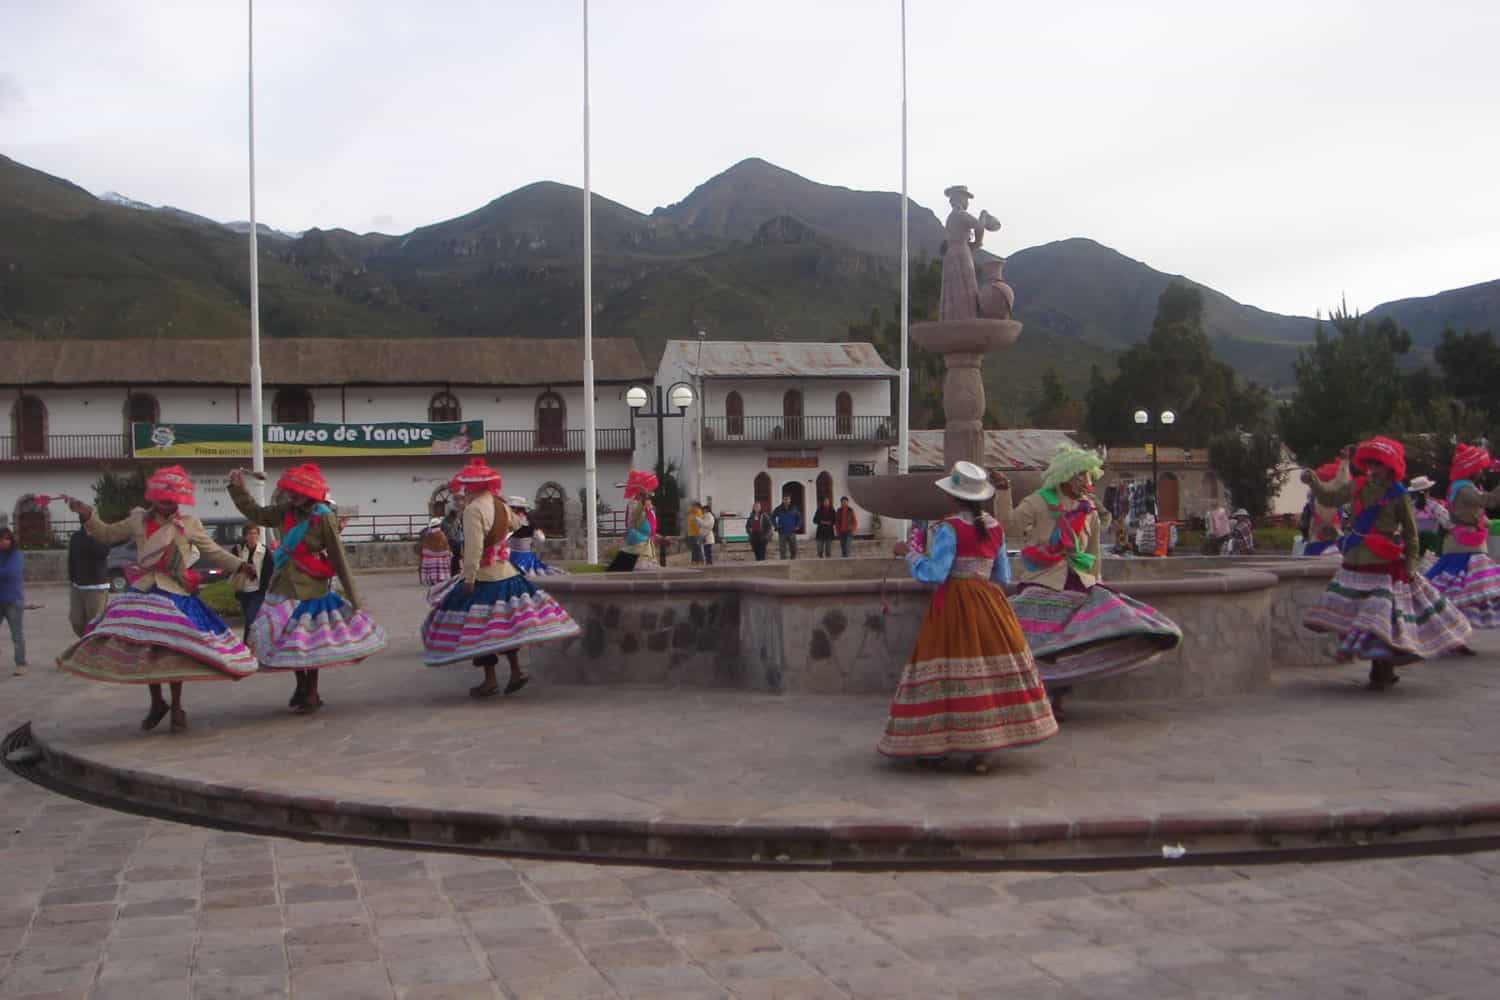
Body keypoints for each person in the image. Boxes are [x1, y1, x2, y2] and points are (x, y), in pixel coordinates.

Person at [877, 461, 1057, 771]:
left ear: (952, 497)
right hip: (990, 604)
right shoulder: (995, 528)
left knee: (948, 674)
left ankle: (939, 743)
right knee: (988, 675)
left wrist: (909, 552)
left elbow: (935, 574)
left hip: (955, 606)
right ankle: (982, 752)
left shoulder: (949, 528)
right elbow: (1001, 575)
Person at [57, 467, 258, 731]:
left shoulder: (189, 524)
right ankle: (157, 702)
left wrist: (241, 565)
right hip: (145, 590)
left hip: (176, 592)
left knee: (175, 650)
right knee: (148, 648)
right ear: (153, 498)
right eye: (164, 500)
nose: (169, 505)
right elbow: (106, 534)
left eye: (173, 501)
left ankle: (176, 707)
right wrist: (88, 516)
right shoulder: (137, 520)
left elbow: (214, 553)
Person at [1008, 446, 1183, 722]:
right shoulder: (1038, 503)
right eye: (1079, 476)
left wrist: (1097, 585)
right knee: (1033, 642)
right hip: (1043, 580)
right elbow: (1010, 525)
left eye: (1088, 476)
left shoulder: (1087, 510)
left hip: (1077, 583)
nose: (1085, 482)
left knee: (1068, 647)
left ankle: (1057, 698)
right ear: (1064, 476)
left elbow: (1092, 553)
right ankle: (1033, 697)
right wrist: (1002, 494)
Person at [1302, 436, 1472, 689]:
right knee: (1362, 618)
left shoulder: (1399, 494)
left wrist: (1411, 566)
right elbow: (1329, 498)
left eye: (1378, 465)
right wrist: (1314, 481)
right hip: (1356, 561)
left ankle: (1382, 668)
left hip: (1385, 564)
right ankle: (1380, 668)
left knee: (1381, 620)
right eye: (1370, 464)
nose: (1372, 470)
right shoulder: (1357, 486)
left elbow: (1411, 534)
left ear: (1390, 467)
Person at [230, 464, 387, 714]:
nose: (292, 495)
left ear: (311, 493)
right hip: (283, 585)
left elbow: (338, 557)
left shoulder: (323, 516)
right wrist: (238, 490)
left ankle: (311, 691)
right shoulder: (284, 511)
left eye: (297, 492)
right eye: (290, 491)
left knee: (309, 643)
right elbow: (257, 514)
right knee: (287, 639)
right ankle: (301, 685)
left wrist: (355, 599)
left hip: (312, 587)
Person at [423, 459, 580, 695]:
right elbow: (519, 526)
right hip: (507, 573)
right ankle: (516, 670)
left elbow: (474, 548)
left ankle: (490, 679)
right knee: (506, 625)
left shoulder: (473, 510)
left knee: (479, 629)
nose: (464, 491)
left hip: (485, 577)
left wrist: (468, 578)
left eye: (466, 486)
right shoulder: (501, 505)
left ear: (473, 486)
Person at [1424, 444, 1500, 632]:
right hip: (1466, 545)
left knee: (1463, 589)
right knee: (1463, 589)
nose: (1482, 472)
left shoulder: (1460, 486)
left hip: (1465, 541)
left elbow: (1477, 513)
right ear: (1472, 469)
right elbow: (1487, 501)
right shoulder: (1464, 488)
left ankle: (1456, 631)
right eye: (1480, 468)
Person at [607, 470, 658, 572]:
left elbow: (650, 527)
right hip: (639, 552)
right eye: (651, 489)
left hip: (644, 550)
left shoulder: (644, 505)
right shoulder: (635, 504)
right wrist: (643, 505)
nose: (652, 492)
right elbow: (633, 521)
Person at [66, 526, 112, 639]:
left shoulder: (102, 534)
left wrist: (92, 536)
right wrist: (72, 579)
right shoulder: (76, 536)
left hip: (96, 587)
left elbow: (103, 552)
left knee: (94, 623)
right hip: (78, 586)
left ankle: (93, 648)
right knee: (76, 621)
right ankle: (87, 643)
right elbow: (72, 558)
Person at [1302, 454, 1350, 556]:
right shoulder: (1328, 497)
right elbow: (1341, 481)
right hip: (1327, 544)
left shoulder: (1316, 497)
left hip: (1316, 542)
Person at [505, 498, 565, 577]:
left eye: (511, 508)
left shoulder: (513, 520)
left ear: (516, 508)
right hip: (527, 554)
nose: (509, 510)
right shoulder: (529, 520)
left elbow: (504, 538)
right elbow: (541, 538)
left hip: (515, 556)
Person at [229, 524, 269, 643]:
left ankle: (247, 643)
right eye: (250, 533)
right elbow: (231, 566)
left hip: (258, 591)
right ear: (245, 536)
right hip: (243, 589)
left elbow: (269, 570)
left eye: (255, 533)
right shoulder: (238, 549)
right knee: (248, 618)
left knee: (251, 618)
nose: (253, 536)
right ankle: (250, 643)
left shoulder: (264, 551)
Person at [0, 528, 25, 676]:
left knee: (16, 635)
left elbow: (9, 572)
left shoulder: (16, 555)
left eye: (7, 538)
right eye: (1, 538)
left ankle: (21, 663)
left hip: (13, 600)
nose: (4, 541)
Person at [418, 517, 452, 586]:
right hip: (440, 558)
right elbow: (445, 546)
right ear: (439, 525)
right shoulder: (441, 534)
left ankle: (429, 580)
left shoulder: (427, 534)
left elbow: (424, 545)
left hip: (429, 557)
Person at [773, 493, 802, 560]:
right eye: (785, 499)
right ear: (783, 500)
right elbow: (772, 517)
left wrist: (798, 525)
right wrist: (775, 525)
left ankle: (793, 561)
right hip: (782, 532)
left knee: (794, 549)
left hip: (792, 531)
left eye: (788, 499)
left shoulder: (794, 508)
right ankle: (783, 563)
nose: (786, 501)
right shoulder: (778, 509)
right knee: (783, 550)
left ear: (790, 500)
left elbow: (799, 518)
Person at [443, 508, 464, 577]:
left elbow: (459, 529)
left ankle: (456, 571)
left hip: (457, 541)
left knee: (457, 557)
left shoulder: (457, 520)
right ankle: (452, 572)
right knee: (451, 558)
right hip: (449, 541)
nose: (454, 518)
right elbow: (443, 532)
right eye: (453, 517)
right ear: (450, 516)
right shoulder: (444, 522)